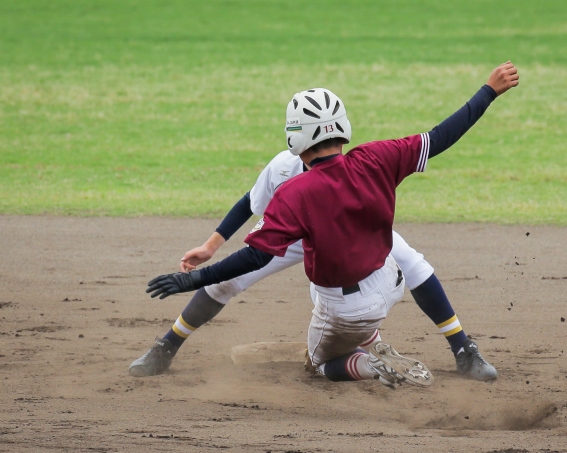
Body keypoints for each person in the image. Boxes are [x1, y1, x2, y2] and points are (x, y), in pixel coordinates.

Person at [141, 62, 519, 386]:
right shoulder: (355, 161)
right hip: (310, 242)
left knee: (409, 263)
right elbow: (250, 202)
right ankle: (166, 347)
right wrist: (211, 246)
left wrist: (194, 276)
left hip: (342, 244)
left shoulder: (297, 188)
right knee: (226, 283)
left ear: (295, 135)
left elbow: (254, 254)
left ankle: (463, 349)